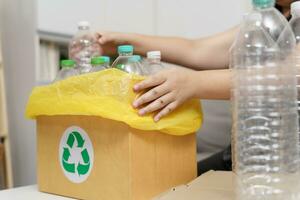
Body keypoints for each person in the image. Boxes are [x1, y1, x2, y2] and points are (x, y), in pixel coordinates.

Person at [96, 0, 296, 174]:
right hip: (246, 152)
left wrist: (194, 83)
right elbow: (199, 50)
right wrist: (123, 42)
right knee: (164, 182)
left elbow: (287, 75)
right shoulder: (269, 14)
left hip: (288, 160)